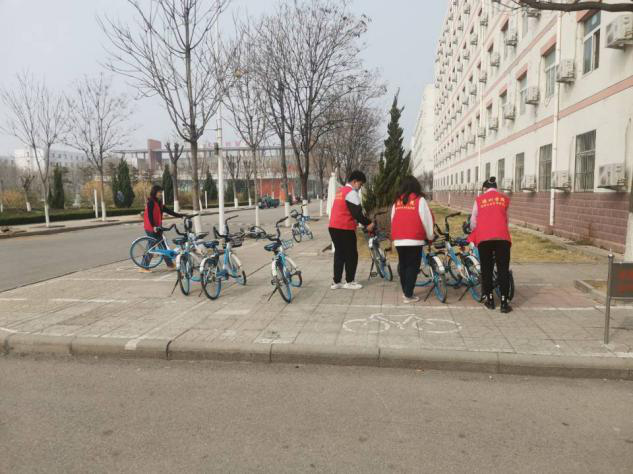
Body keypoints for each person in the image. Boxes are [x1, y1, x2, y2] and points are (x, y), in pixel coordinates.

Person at [469, 177, 512, 313]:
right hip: (502, 238)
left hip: (484, 238)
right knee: (503, 269)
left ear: (485, 188)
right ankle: (504, 302)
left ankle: (490, 300)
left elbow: (473, 220)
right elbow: (506, 219)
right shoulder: (504, 199)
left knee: (486, 269)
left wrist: (473, 229)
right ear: (496, 188)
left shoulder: (479, 199)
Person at [390, 176, 434, 303]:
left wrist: (394, 237)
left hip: (399, 239)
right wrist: (430, 236)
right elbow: (427, 220)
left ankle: (406, 290)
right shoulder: (419, 200)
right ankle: (408, 294)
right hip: (414, 239)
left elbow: (392, 219)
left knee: (403, 264)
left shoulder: (397, 201)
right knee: (412, 266)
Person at [328, 170, 373, 290]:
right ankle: (350, 281)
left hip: (333, 226)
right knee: (351, 254)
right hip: (344, 227)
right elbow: (357, 214)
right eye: (360, 184)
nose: (360, 187)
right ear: (355, 181)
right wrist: (368, 223)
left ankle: (336, 282)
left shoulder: (341, 191)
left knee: (339, 254)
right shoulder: (351, 192)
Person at [140, 184, 185, 273]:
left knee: (162, 246)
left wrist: (180, 215)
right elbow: (149, 215)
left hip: (157, 228)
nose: (160, 194)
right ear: (154, 192)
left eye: (161, 192)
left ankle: (170, 265)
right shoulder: (151, 202)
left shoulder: (159, 203)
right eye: (159, 192)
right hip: (151, 228)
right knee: (151, 246)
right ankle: (144, 266)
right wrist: (153, 226)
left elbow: (168, 211)